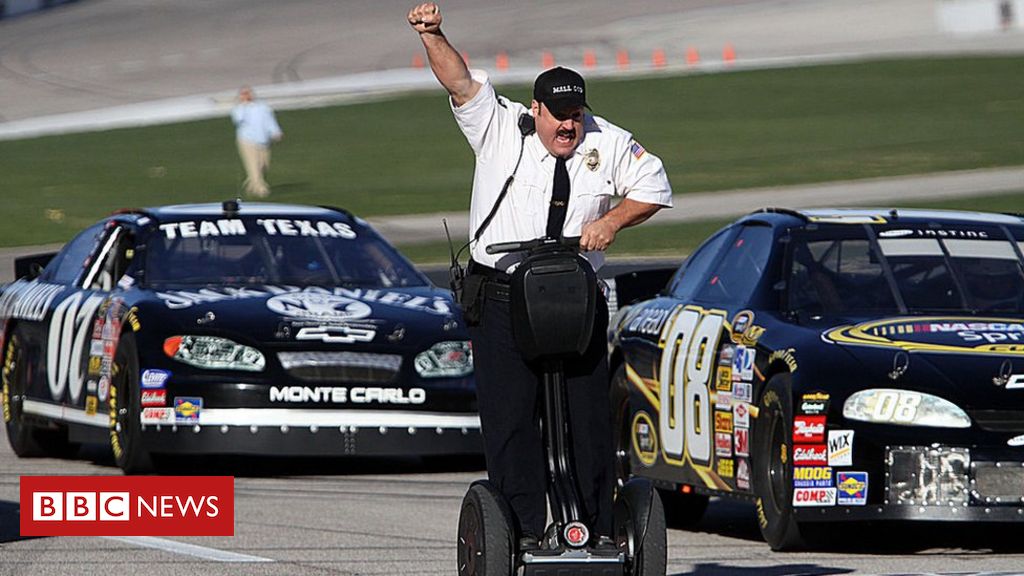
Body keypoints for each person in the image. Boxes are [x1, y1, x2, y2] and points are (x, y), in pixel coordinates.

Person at [407, 2, 673, 551]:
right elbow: (459, 81)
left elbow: (654, 185)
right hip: (503, 296)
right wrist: (434, 34)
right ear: (537, 110)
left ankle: (596, 530)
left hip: (573, 299)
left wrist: (611, 221)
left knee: (587, 421)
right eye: (558, 116)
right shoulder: (499, 125)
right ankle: (522, 531)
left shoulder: (607, 140)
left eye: (576, 114)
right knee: (511, 424)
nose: (568, 126)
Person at [231, 86, 283, 198]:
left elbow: (269, 120)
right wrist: (243, 105)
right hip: (247, 140)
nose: (247, 95)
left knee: (263, 165)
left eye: (248, 93)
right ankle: (261, 190)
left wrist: (275, 131)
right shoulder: (238, 109)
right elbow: (238, 120)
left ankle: (251, 186)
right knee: (253, 165)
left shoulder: (262, 106)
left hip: (263, 140)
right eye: (243, 94)